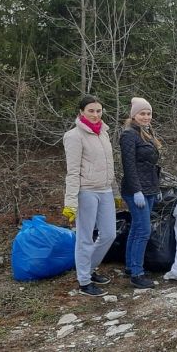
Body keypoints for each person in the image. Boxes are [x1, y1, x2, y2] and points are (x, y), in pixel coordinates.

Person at [62, 95, 120, 297]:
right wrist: (70, 202)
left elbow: (109, 165)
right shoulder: (74, 136)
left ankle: (89, 267)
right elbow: (72, 171)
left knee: (109, 233)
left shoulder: (103, 133)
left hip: (104, 190)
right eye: (91, 111)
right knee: (85, 238)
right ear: (81, 112)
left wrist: (115, 192)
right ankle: (84, 280)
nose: (96, 115)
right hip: (86, 191)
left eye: (98, 111)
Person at [119, 97, 161, 289]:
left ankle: (130, 266)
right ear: (134, 115)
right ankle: (137, 274)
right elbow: (129, 167)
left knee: (137, 227)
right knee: (143, 230)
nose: (146, 117)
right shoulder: (128, 135)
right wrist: (137, 191)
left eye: (148, 113)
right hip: (136, 190)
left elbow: (151, 165)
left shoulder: (146, 133)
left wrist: (157, 188)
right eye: (142, 113)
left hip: (150, 188)